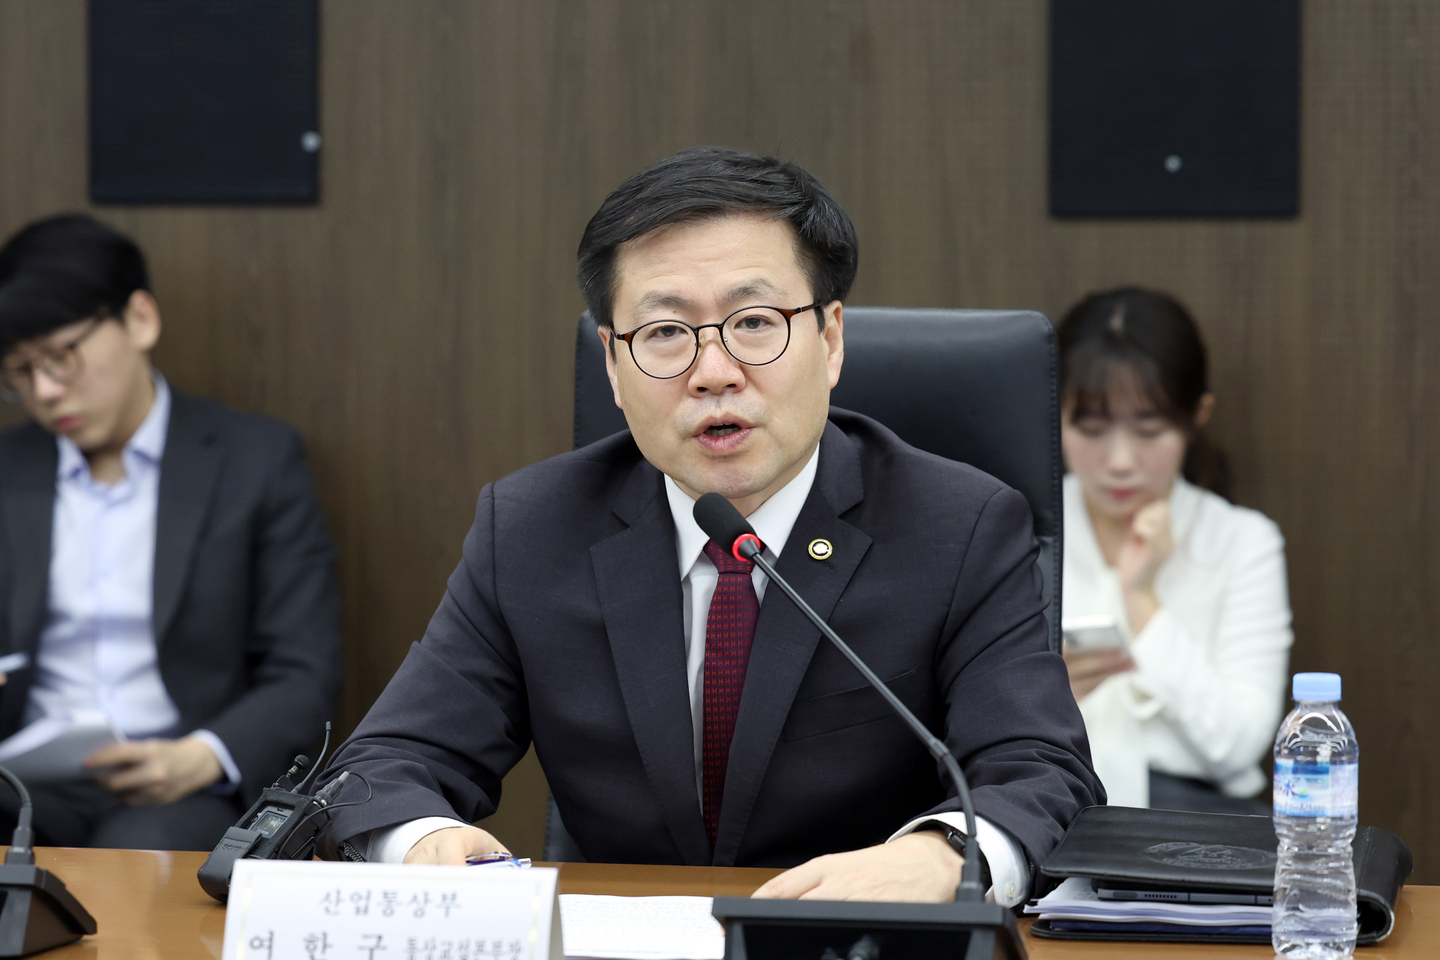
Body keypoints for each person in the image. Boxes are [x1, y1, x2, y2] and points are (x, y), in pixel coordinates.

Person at [317, 147, 1101, 905]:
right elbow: (391, 760)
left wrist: (942, 856)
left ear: (829, 340)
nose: (715, 370)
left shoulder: (959, 527)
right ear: (613, 369)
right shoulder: (531, 529)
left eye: (754, 322)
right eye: (664, 333)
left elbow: (1039, 768)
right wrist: (418, 840)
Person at [0, 213, 343, 850]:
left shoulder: (256, 462)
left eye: (61, 358)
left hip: (183, 783)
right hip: (25, 781)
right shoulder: (6, 470)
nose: (45, 391)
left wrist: (203, 755)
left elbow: (304, 671)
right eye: (21, 373)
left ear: (139, 319)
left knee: (144, 862)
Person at [1056, 287, 1293, 813]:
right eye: (1092, 428)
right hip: (1053, 814)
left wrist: (1141, 600)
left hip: (1203, 826)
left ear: (1195, 417)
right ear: (1058, 416)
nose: (1120, 461)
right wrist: (1048, 693)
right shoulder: (1021, 527)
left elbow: (1239, 744)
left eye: (1149, 429)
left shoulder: (1243, 542)